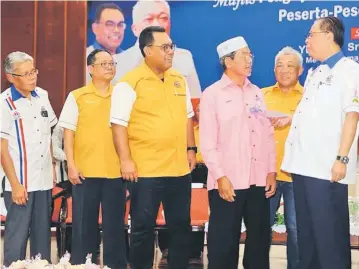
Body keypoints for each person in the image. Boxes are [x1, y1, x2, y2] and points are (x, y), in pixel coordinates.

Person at [110, 26, 196, 269]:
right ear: (148, 51)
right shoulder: (129, 83)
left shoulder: (179, 79)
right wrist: (126, 161)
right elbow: (118, 125)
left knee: (181, 226)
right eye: (165, 47)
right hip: (145, 170)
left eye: (172, 47)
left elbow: (188, 116)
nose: (171, 52)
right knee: (142, 228)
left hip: (178, 168)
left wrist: (191, 149)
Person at [281, 16, 359, 269]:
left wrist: (342, 158)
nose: (307, 41)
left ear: (328, 35)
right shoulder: (316, 72)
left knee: (330, 239)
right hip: (302, 167)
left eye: (311, 35)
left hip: (326, 170)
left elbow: (352, 115)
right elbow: (317, 116)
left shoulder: (350, 70)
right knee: (308, 238)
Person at [200, 36, 276, 269]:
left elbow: (268, 135)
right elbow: (207, 142)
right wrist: (220, 176)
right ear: (228, 61)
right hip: (228, 182)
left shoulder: (257, 93)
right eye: (244, 55)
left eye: (250, 54)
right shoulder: (212, 94)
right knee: (223, 244)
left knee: (259, 241)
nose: (249, 59)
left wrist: (271, 170)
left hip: (258, 179)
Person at [59, 49, 127, 268]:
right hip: (85, 172)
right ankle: (82, 264)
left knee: (115, 226)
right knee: (83, 225)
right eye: (104, 64)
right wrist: (71, 164)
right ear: (90, 69)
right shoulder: (78, 96)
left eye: (112, 63)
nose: (110, 67)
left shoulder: (121, 96)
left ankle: (114, 265)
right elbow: (68, 133)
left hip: (116, 172)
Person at [1, 51, 57, 266]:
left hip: (43, 182)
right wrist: (15, 185)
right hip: (20, 184)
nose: (32, 77)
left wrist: (52, 167)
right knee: (17, 238)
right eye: (25, 74)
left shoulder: (42, 95)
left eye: (33, 71)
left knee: (42, 237)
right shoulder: (4, 103)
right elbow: (2, 149)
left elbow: (50, 134)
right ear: (10, 77)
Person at [262, 46, 304, 269]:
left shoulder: (308, 97)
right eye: (280, 65)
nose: (285, 70)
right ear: (273, 70)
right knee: (261, 228)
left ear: (300, 70)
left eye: (290, 66)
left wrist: (293, 119)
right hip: (265, 174)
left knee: (296, 229)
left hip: (295, 175)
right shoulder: (261, 95)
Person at [112, 0, 202, 98]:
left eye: (163, 18)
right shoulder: (117, 64)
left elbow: (195, 101)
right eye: (148, 19)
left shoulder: (184, 58)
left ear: (170, 24)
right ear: (135, 29)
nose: (157, 24)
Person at [86, 3, 126, 84]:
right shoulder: (83, 58)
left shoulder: (129, 58)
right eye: (110, 24)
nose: (116, 30)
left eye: (120, 25)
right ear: (95, 28)